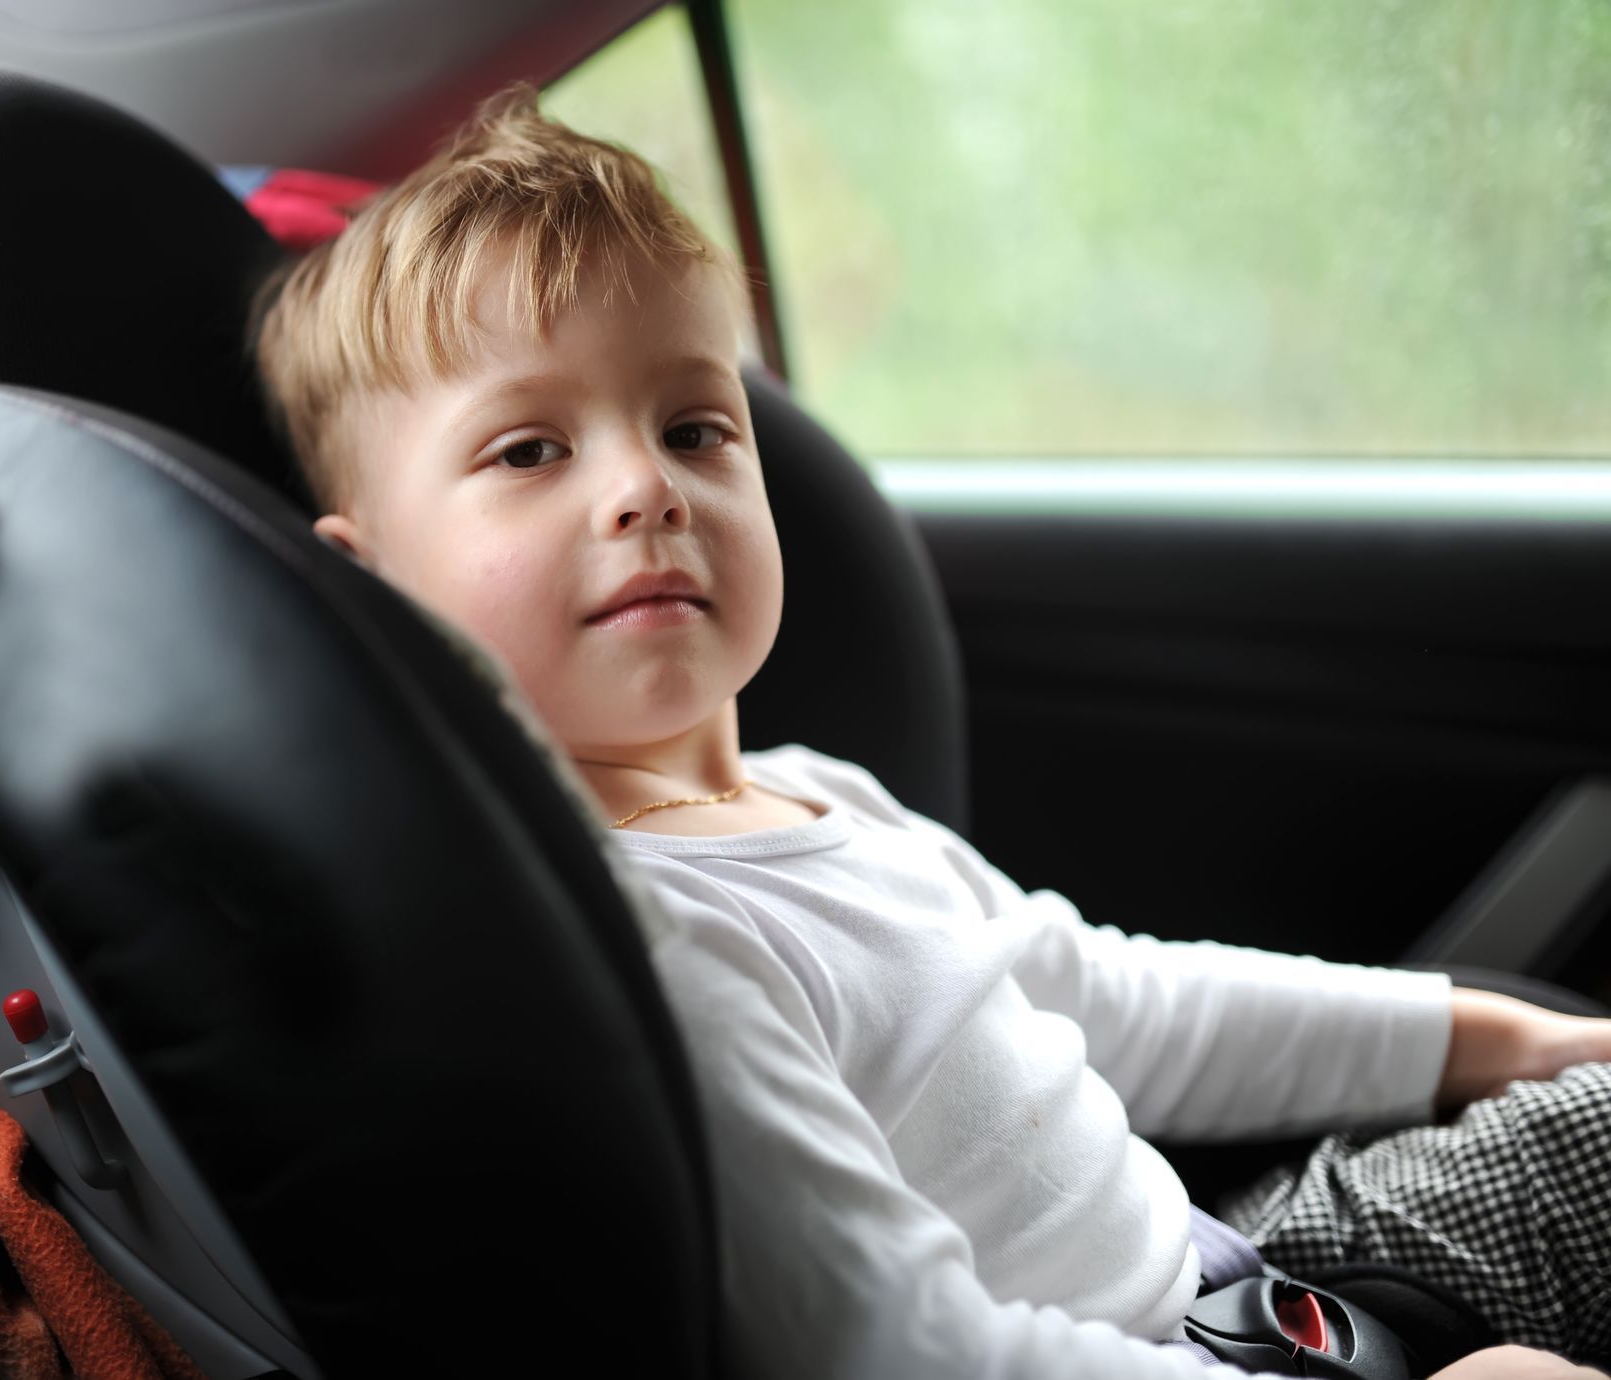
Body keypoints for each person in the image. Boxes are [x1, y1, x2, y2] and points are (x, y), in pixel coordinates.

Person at [254, 86, 1611, 1379]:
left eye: (693, 425)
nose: (643, 487)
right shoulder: (644, 943)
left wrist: (1485, 1035)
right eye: (528, 451)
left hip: (1250, 1273)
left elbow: (1111, 1002)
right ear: (370, 584)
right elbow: (897, 1352)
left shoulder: (819, 798)